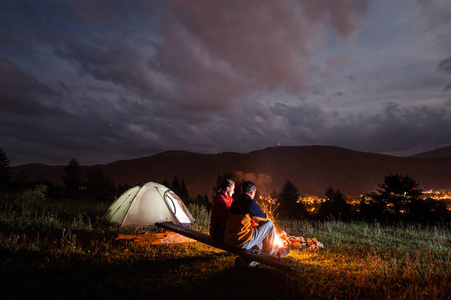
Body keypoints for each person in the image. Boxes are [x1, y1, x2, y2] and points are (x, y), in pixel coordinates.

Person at [224, 181, 289, 258]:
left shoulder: (235, 203)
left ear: (242, 191)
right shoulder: (250, 203)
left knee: (256, 232)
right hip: (241, 242)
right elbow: (264, 220)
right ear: (252, 192)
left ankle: (261, 250)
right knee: (270, 224)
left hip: (229, 240)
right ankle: (270, 252)